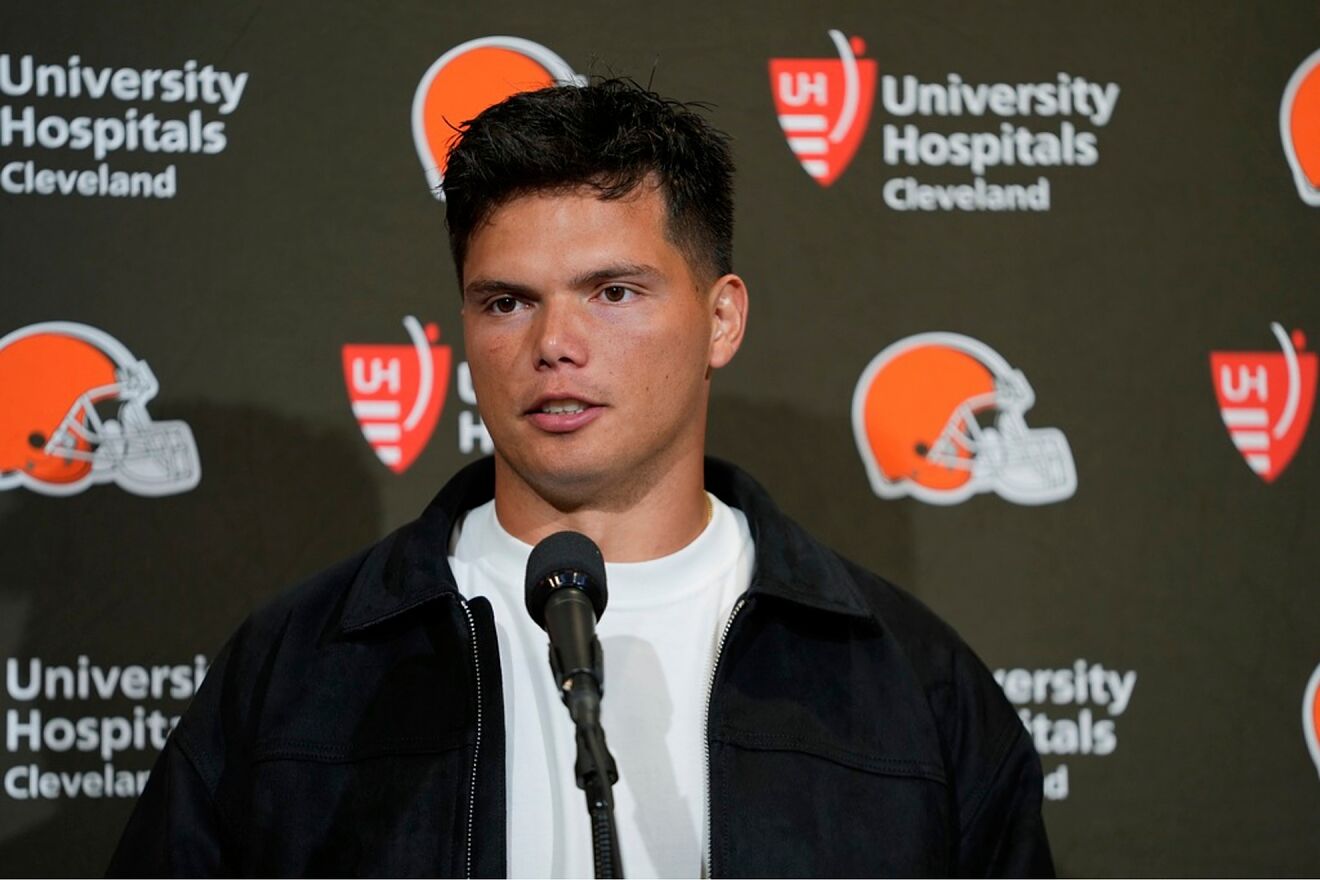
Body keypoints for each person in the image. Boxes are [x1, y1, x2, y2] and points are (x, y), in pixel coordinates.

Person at [108, 78, 1054, 878]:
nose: (554, 345)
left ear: (722, 319)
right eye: (508, 301)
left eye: (613, 292)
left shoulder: (913, 685)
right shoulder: (295, 669)